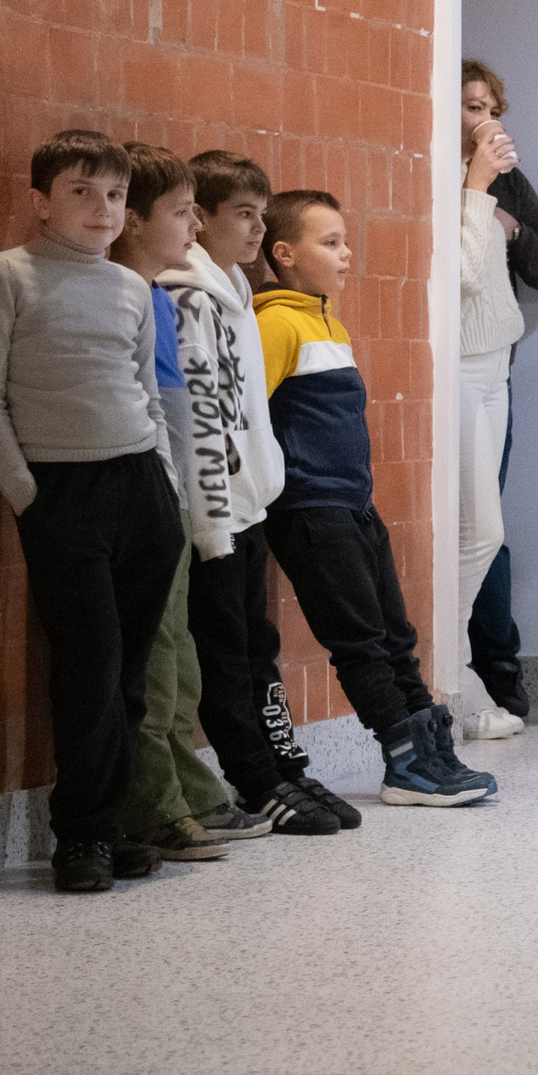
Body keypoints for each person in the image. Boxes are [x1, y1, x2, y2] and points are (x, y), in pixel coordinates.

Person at [0, 130, 185, 892]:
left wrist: (163, 479)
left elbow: (146, 394)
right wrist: (28, 496)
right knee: (89, 664)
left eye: (116, 195)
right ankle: (80, 837)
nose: (103, 209)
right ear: (42, 202)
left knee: (129, 671)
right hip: (62, 496)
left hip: (141, 493)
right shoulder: (6, 276)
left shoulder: (130, 288)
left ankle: (114, 820)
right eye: (82, 192)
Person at [256, 190, 496, 807]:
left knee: (395, 634)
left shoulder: (327, 320)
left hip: (355, 506)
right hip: (310, 510)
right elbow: (249, 419)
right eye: (329, 242)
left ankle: (432, 747)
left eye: (345, 240)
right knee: (359, 640)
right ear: (284, 253)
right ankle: (404, 760)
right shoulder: (274, 323)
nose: (346, 253)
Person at [169, 149, 351, 836]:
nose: (255, 229)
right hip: (211, 508)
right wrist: (216, 509)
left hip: (250, 499)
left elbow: (248, 410)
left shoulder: (238, 291)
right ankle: (252, 779)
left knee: (257, 644)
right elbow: (199, 414)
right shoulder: (185, 292)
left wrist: (262, 478)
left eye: (258, 213)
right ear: (200, 219)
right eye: (241, 215)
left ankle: (281, 765)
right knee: (224, 652)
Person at [107, 142, 261, 863]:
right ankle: (155, 806)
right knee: (153, 663)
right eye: (180, 213)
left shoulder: (156, 300)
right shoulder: (142, 295)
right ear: (134, 222)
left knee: (180, 659)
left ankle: (189, 791)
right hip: (144, 499)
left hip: (172, 500)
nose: (194, 228)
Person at [460, 63, 538, 726]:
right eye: (469, 106)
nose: (482, 120)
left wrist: (513, 227)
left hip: (496, 368)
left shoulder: (510, 182)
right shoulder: (437, 172)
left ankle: (497, 665)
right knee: (467, 527)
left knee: (485, 524)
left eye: (490, 107)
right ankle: (460, 666)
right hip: (453, 368)